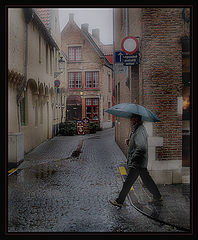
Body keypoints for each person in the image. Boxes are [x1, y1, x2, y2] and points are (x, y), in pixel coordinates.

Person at [109, 114, 162, 207]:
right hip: (139, 161)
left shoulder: (140, 129)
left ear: (136, 119)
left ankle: (120, 201)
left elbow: (141, 147)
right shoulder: (137, 128)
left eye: (132, 118)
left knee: (128, 181)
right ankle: (157, 196)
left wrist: (133, 157)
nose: (130, 119)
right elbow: (137, 142)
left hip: (138, 161)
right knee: (146, 180)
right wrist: (129, 141)